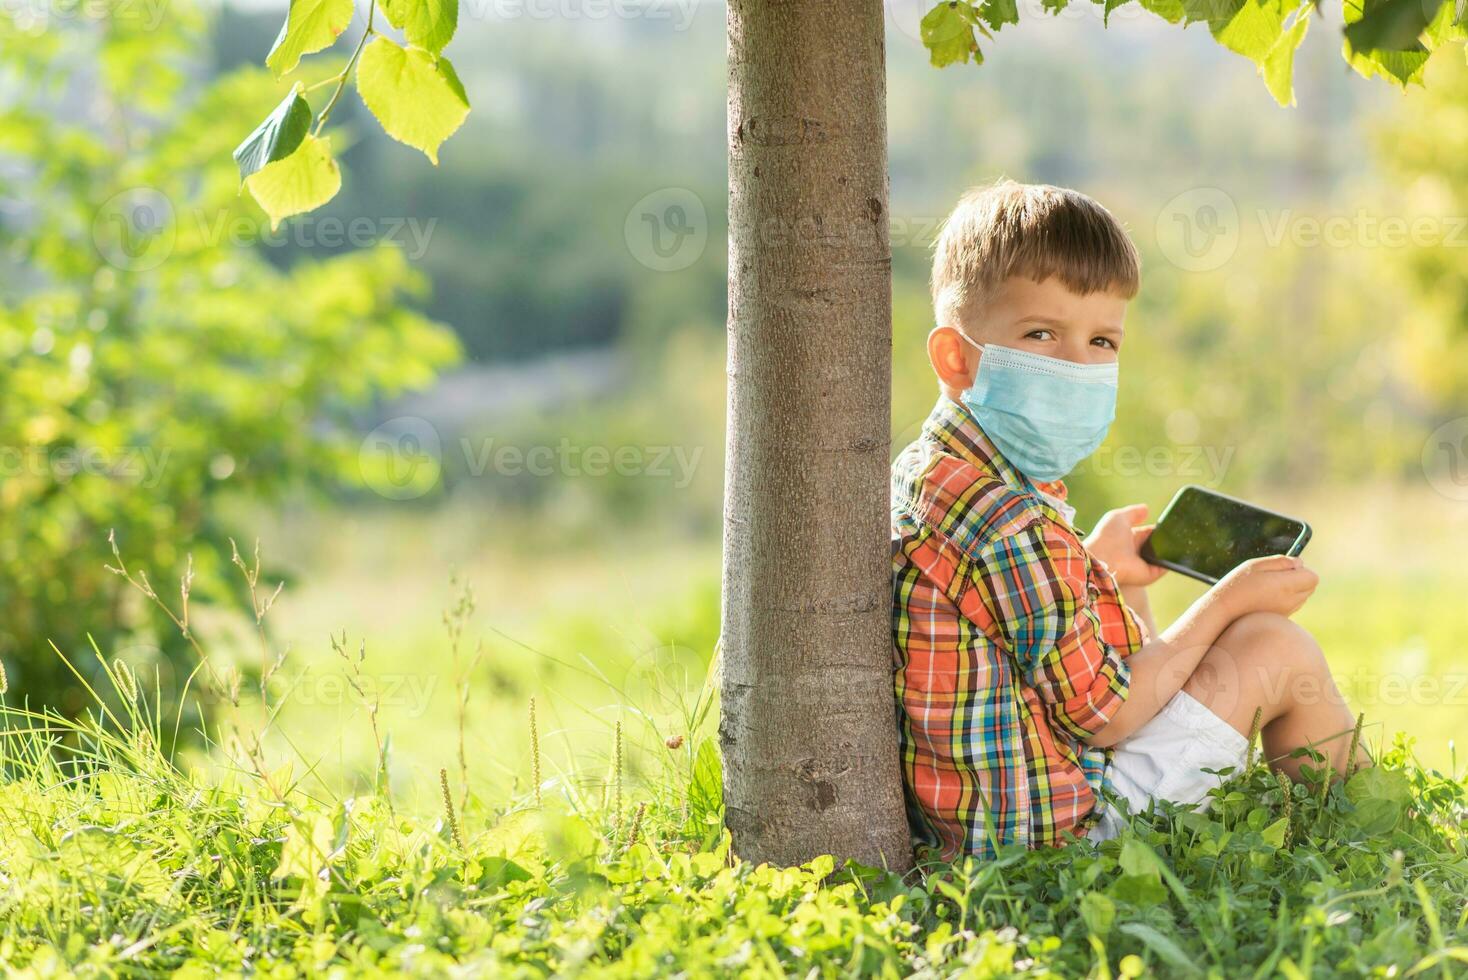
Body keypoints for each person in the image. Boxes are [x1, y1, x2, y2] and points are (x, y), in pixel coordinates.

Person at [891, 180, 1369, 857]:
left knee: (1244, 637)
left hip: (1005, 808)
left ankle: (1351, 832)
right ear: (956, 357)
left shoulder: (939, 475)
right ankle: (1378, 842)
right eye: (1041, 333)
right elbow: (1107, 716)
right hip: (1067, 838)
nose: (1077, 365)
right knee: (1276, 648)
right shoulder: (1008, 522)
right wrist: (1227, 600)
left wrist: (1101, 569)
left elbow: (1033, 645)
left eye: (1102, 342)